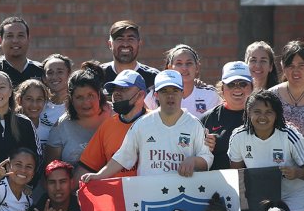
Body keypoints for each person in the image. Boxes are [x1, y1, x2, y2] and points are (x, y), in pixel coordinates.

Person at [80, 70, 213, 180]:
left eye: (175, 91)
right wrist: (99, 176)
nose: (170, 96)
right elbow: (123, 156)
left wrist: (194, 161)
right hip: (149, 197)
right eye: (164, 91)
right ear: (156, 95)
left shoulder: (194, 124)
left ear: (182, 93)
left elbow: (207, 158)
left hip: (182, 193)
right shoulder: (142, 124)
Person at [228, 89, 304, 211]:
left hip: (294, 195)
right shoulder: (238, 136)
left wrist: (297, 172)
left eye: (269, 112)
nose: (263, 116)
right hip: (261, 198)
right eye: (257, 111)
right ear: (248, 112)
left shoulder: (289, 134)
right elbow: (236, 175)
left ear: (277, 114)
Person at [76, 69, 148, 180]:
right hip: (118, 195)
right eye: (115, 89)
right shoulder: (108, 126)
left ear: (140, 95)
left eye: (124, 88)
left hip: (151, 194)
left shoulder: (156, 121)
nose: (117, 93)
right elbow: (87, 167)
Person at [46, 62, 111, 168]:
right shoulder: (61, 126)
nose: (86, 102)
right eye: (79, 97)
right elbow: (50, 170)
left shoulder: (117, 115)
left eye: (90, 95)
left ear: (99, 95)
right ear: (71, 99)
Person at [203, 61, 253, 170]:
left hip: (255, 183)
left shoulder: (263, 117)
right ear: (222, 88)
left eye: (243, 84)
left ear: (252, 87)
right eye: (231, 84)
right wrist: (203, 148)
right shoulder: (207, 119)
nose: (237, 88)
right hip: (219, 185)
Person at [145, 45, 219, 118]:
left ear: (197, 67)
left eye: (189, 63)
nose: (184, 68)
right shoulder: (153, 96)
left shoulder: (211, 95)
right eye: (179, 63)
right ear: (170, 68)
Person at [270, 40, 304, 138]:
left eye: (301, 66)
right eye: (290, 66)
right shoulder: (272, 96)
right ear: (283, 67)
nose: (296, 71)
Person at [0, 16, 43, 87]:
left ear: (28, 39)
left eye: (20, 35)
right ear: (0, 41)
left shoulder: (40, 70)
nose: (15, 40)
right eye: (9, 36)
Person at [100, 20, 158, 89]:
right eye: (119, 39)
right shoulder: (98, 75)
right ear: (110, 44)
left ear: (139, 44)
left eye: (130, 39)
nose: (125, 44)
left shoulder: (153, 78)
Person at [16, 78, 55, 150]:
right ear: (19, 100)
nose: (34, 104)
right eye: (29, 99)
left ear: (45, 101)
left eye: (39, 99)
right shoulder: (12, 127)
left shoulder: (51, 130)